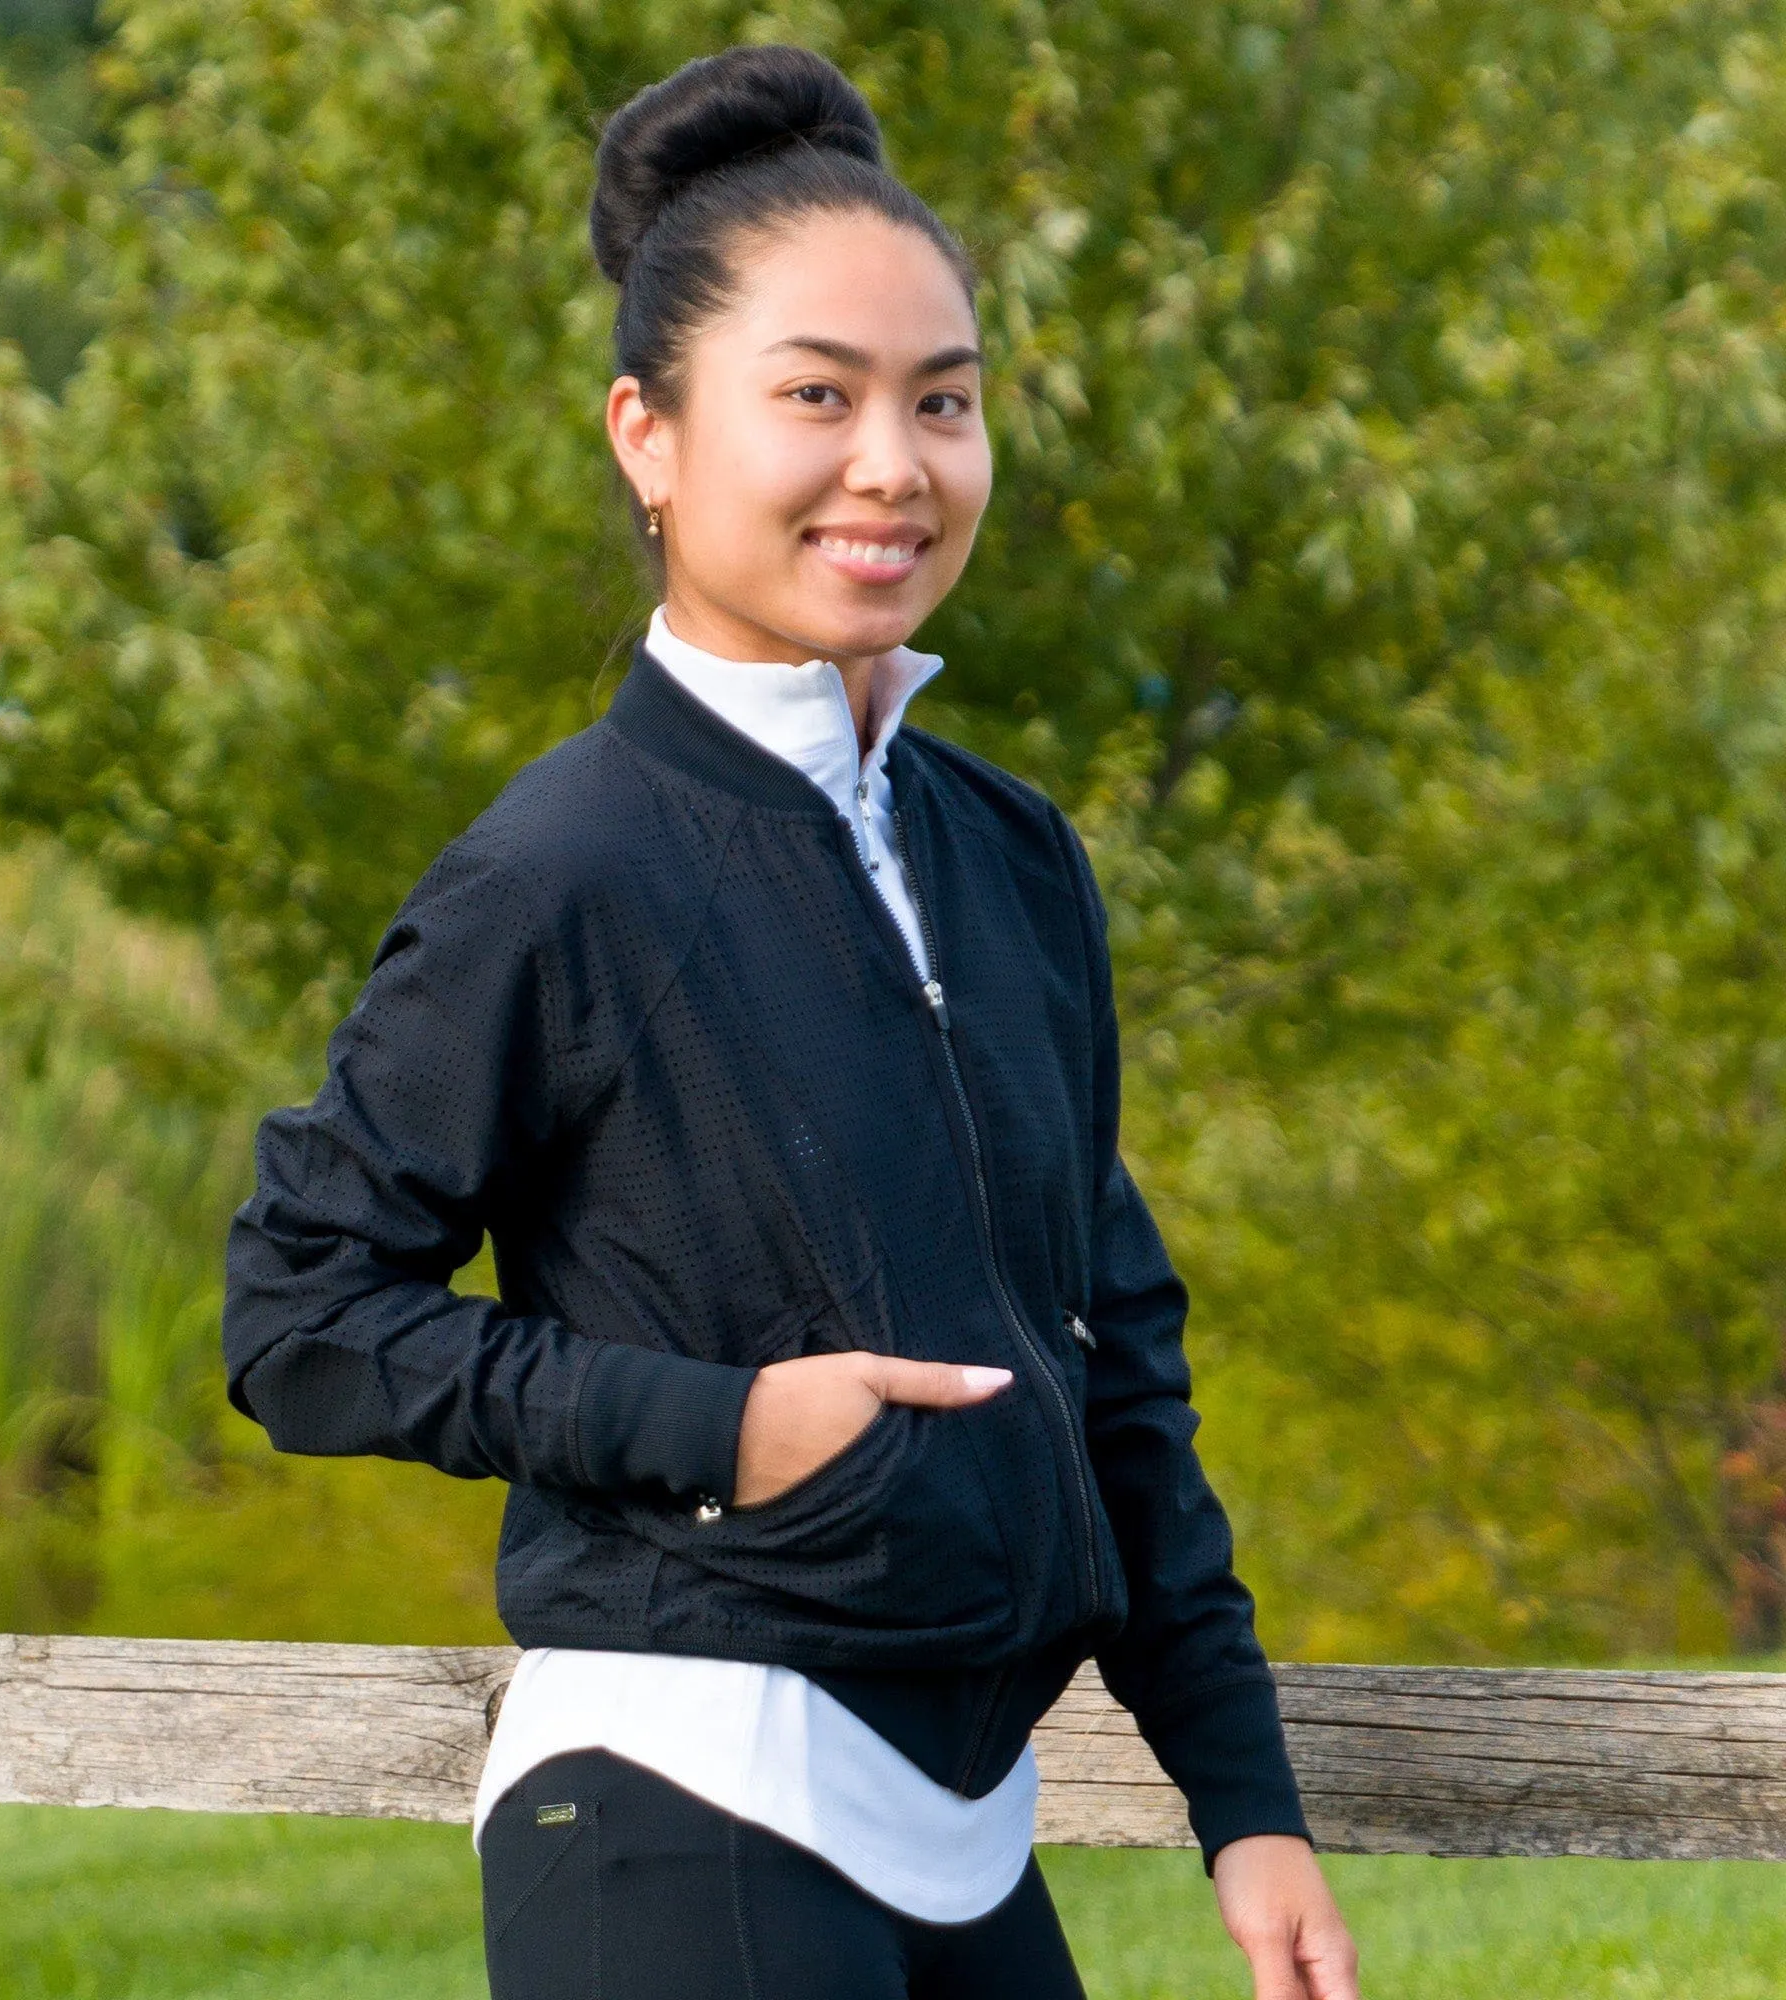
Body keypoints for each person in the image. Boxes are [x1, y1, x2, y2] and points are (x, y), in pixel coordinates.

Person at [221, 41, 1360, 2000]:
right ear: (648, 435)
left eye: (945, 401)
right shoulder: (562, 869)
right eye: (814, 398)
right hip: (679, 1796)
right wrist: (719, 1426)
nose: (892, 464)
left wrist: (1240, 1794)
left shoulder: (1010, 859)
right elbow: (300, 1313)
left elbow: (1116, 1366)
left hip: (961, 1831)